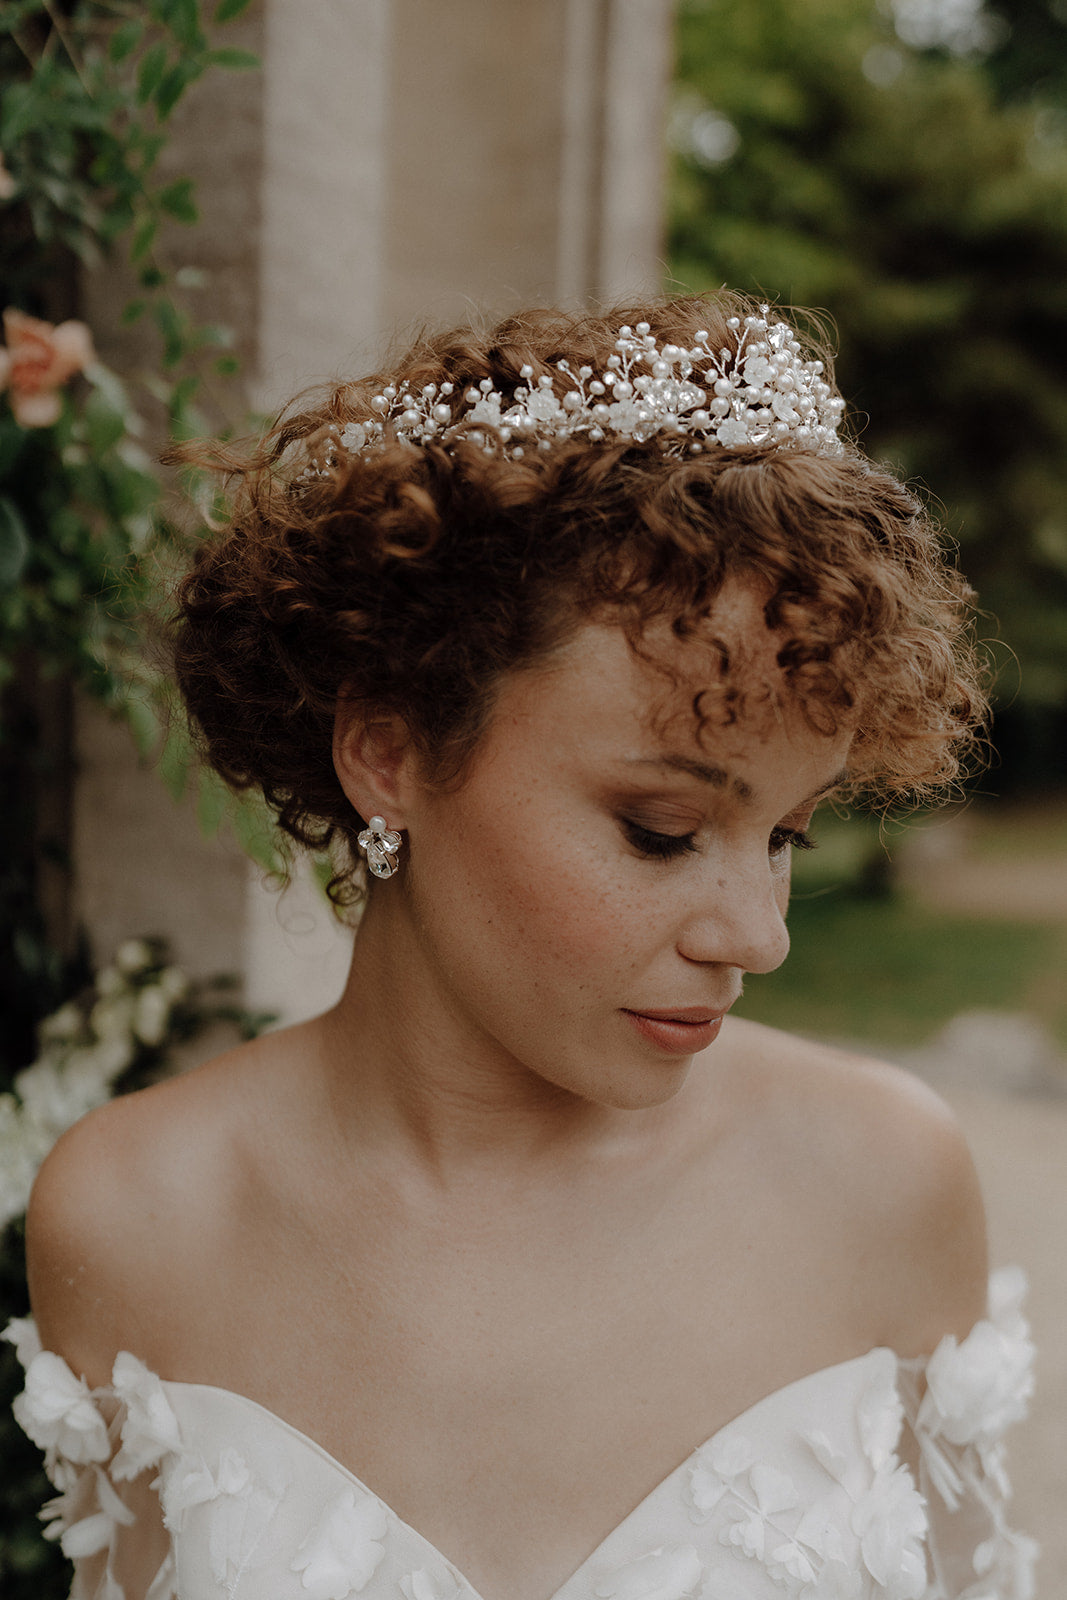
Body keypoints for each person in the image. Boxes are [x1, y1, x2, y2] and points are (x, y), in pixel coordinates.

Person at [6, 294, 1036, 1600]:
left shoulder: (884, 1179)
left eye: (788, 836)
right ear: (390, 752)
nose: (756, 936)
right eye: (662, 830)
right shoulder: (140, 1213)